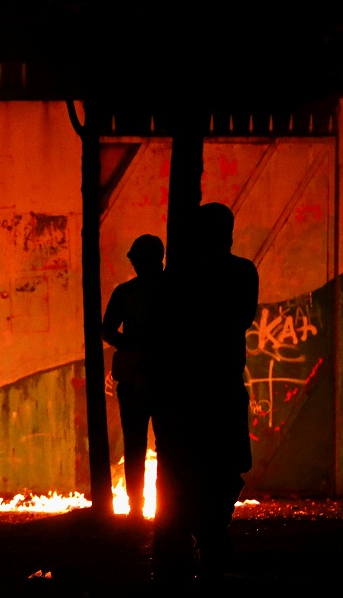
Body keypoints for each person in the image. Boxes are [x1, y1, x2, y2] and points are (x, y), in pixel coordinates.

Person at [151, 202, 259, 588]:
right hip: (221, 384)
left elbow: (171, 329)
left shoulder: (183, 277)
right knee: (224, 467)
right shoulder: (241, 272)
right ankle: (210, 536)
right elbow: (240, 318)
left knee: (194, 469)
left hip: (191, 388)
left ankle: (201, 537)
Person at [101, 234, 165, 522]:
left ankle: (136, 509)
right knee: (168, 446)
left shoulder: (125, 292)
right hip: (167, 377)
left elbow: (107, 330)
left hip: (135, 378)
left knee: (134, 445)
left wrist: (128, 344)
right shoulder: (173, 290)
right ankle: (167, 508)